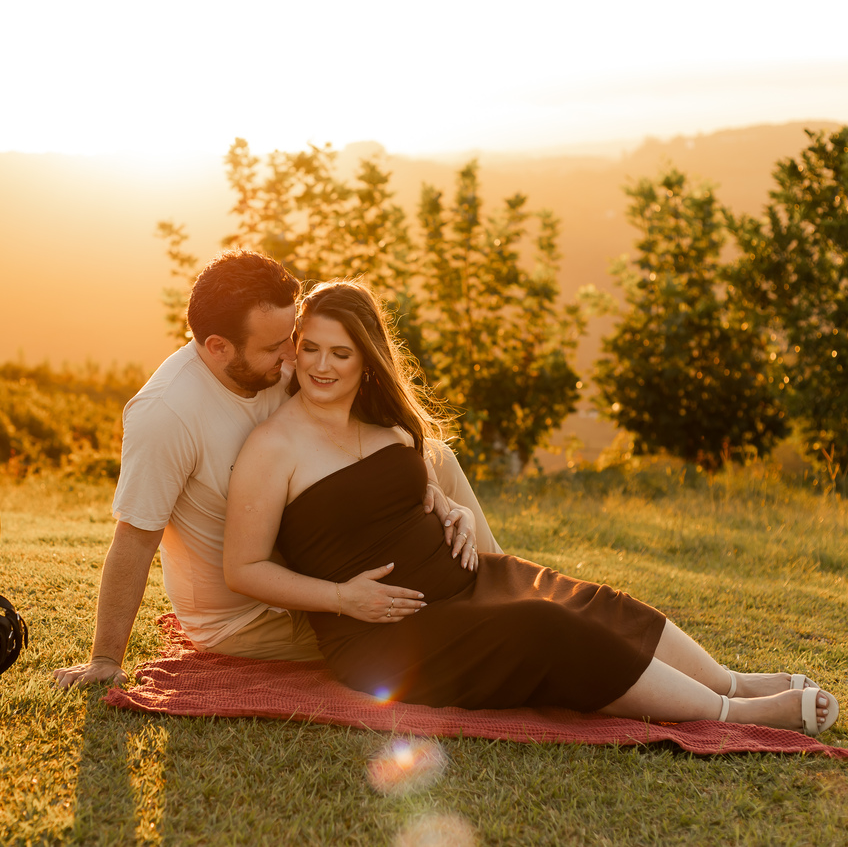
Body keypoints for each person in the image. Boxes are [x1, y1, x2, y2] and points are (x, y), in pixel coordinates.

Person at [223, 279, 839, 737]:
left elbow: (383, 495)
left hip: (469, 582)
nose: (322, 367)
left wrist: (442, 507)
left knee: (589, 601)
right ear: (295, 349)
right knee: (547, 627)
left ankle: (728, 678)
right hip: (388, 636)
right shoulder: (272, 447)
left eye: (341, 353)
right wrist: (341, 598)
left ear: (367, 360)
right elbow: (243, 568)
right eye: (311, 350)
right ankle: (734, 714)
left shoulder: (381, 422)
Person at [53, 251, 499, 688]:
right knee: (432, 610)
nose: (293, 354)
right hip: (253, 614)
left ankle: (503, 580)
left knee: (437, 456)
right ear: (218, 348)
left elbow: (359, 443)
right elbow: (135, 537)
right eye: (274, 346)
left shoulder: (273, 367)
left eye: (292, 336)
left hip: (322, 557)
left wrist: (432, 495)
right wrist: (106, 659)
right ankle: (494, 610)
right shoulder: (167, 414)